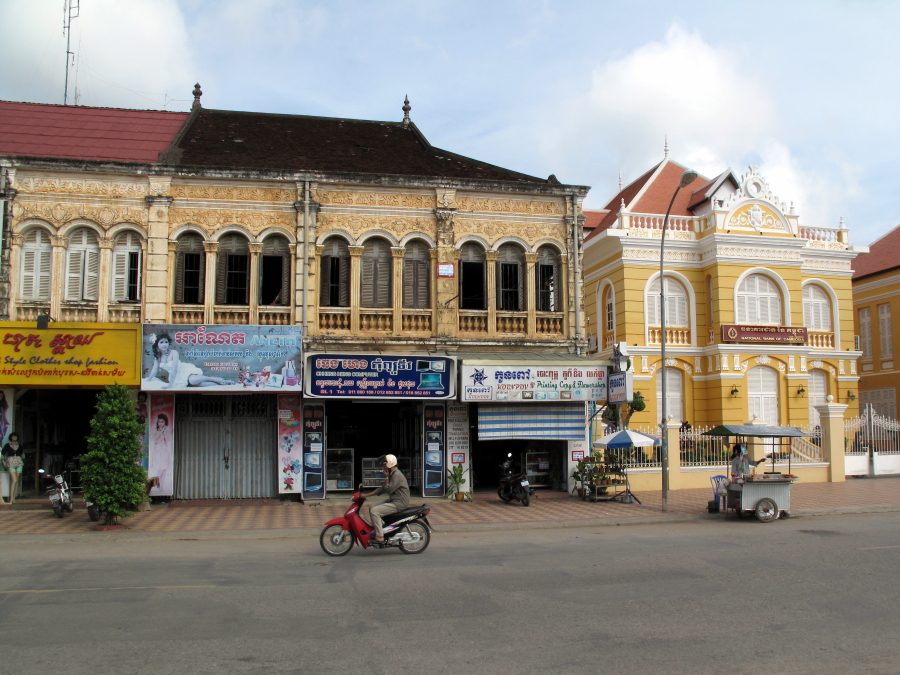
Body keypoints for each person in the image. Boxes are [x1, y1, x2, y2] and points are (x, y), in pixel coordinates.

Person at [145, 333, 232, 389]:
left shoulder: (173, 352)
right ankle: (222, 384)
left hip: (183, 370)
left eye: (166, 342)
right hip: (175, 377)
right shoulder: (157, 357)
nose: (164, 344)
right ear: (157, 345)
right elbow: (154, 370)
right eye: (161, 342)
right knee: (200, 385)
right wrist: (148, 381)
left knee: (193, 380)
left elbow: (175, 369)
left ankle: (216, 379)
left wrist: (170, 385)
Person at [361, 454, 409, 544]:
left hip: (399, 503)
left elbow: (389, 490)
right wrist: (366, 495)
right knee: (372, 507)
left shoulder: (397, 475)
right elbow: (383, 489)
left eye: (384, 464)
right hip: (394, 500)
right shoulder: (392, 474)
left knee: (375, 511)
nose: (383, 466)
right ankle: (380, 528)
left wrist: (386, 477)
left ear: (389, 464)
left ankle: (380, 537)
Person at [1, 432, 24, 505]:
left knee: (16, 481)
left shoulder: (19, 445)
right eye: (13, 436)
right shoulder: (7, 445)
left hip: (19, 463)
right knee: (14, 480)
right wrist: (3, 461)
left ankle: (13, 497)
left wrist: (23, 456)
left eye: (16, 436)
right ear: (11, 437)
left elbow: (22, 454)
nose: (14, 438)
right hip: (10, 463)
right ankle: (11, 499)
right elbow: (3, 454)